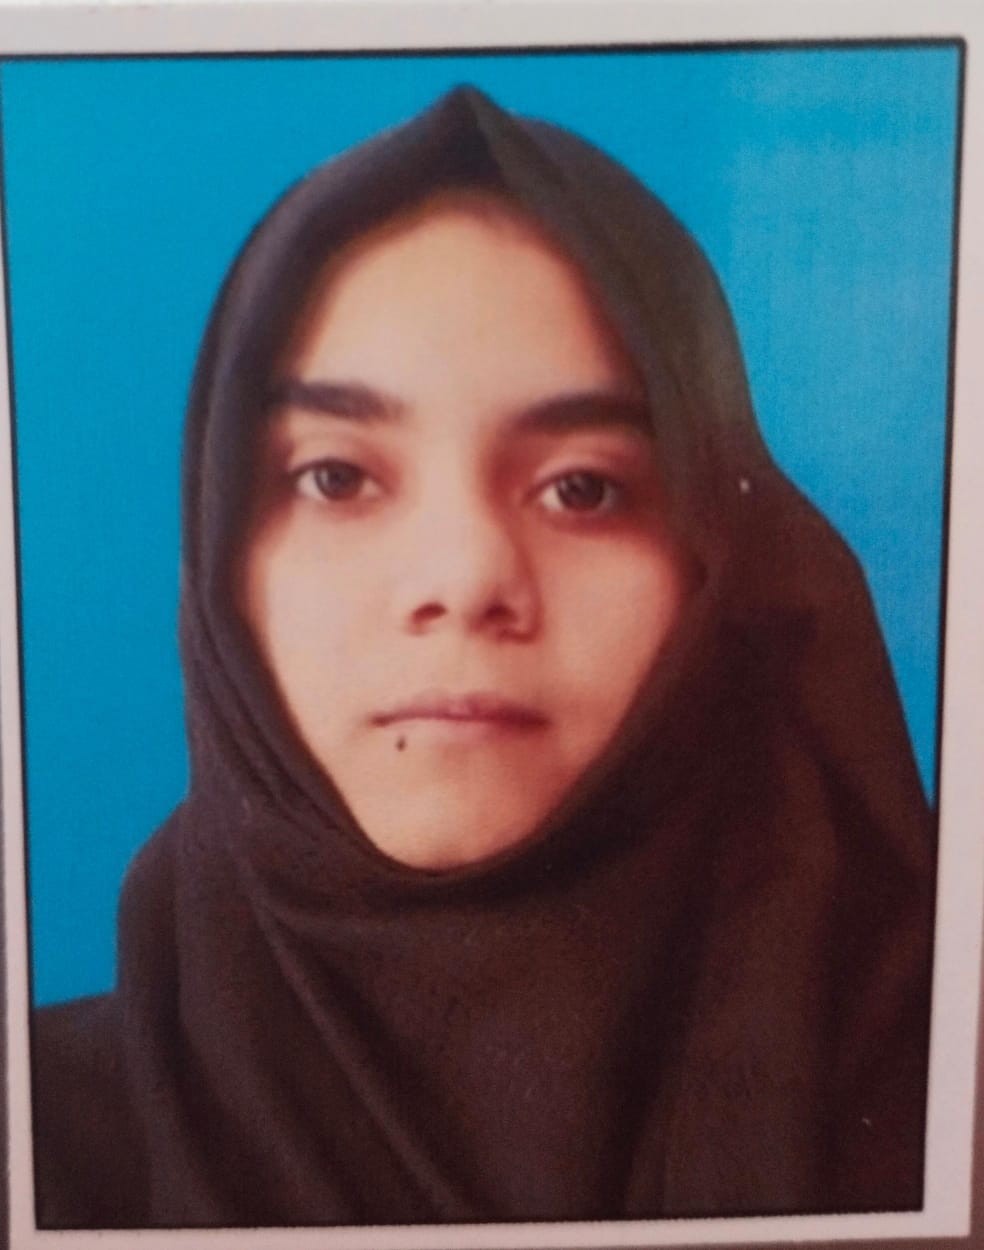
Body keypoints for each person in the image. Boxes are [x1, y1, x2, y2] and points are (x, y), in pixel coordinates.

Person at [32, 84, 934, 1229]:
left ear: (721, 554)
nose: (464, 579)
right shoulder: (40, 1143)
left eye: (583, 488)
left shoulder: (937, 1095)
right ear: (218, 558)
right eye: (336, 476)